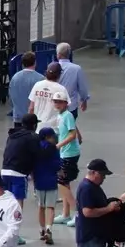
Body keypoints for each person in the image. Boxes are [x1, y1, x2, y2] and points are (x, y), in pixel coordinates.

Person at [48, 92, 82, 224]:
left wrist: (58, 146)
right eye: (55, 101)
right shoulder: (62, 115)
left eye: (59, 102)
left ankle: (77, 214)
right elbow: (73, 129)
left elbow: (72, 134)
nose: (57, 104)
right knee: (65, 182)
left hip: (69, 153)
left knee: (61, 182)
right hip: (65, 152)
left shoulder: (67, 115)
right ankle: (66, 213)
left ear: (65, 103)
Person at [7, 53, 44, 124]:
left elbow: (10, 97)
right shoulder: (40, 79)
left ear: (22, 64)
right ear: (35, 62)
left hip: (18, 117)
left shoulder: (15, 78)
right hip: (34, 118)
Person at [54, 43, 91, 113]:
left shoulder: (52, 67)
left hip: (54, 106)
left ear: (58, 55)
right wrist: (84, 100)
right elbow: (82, 88)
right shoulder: (76, 69)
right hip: (70, 106)